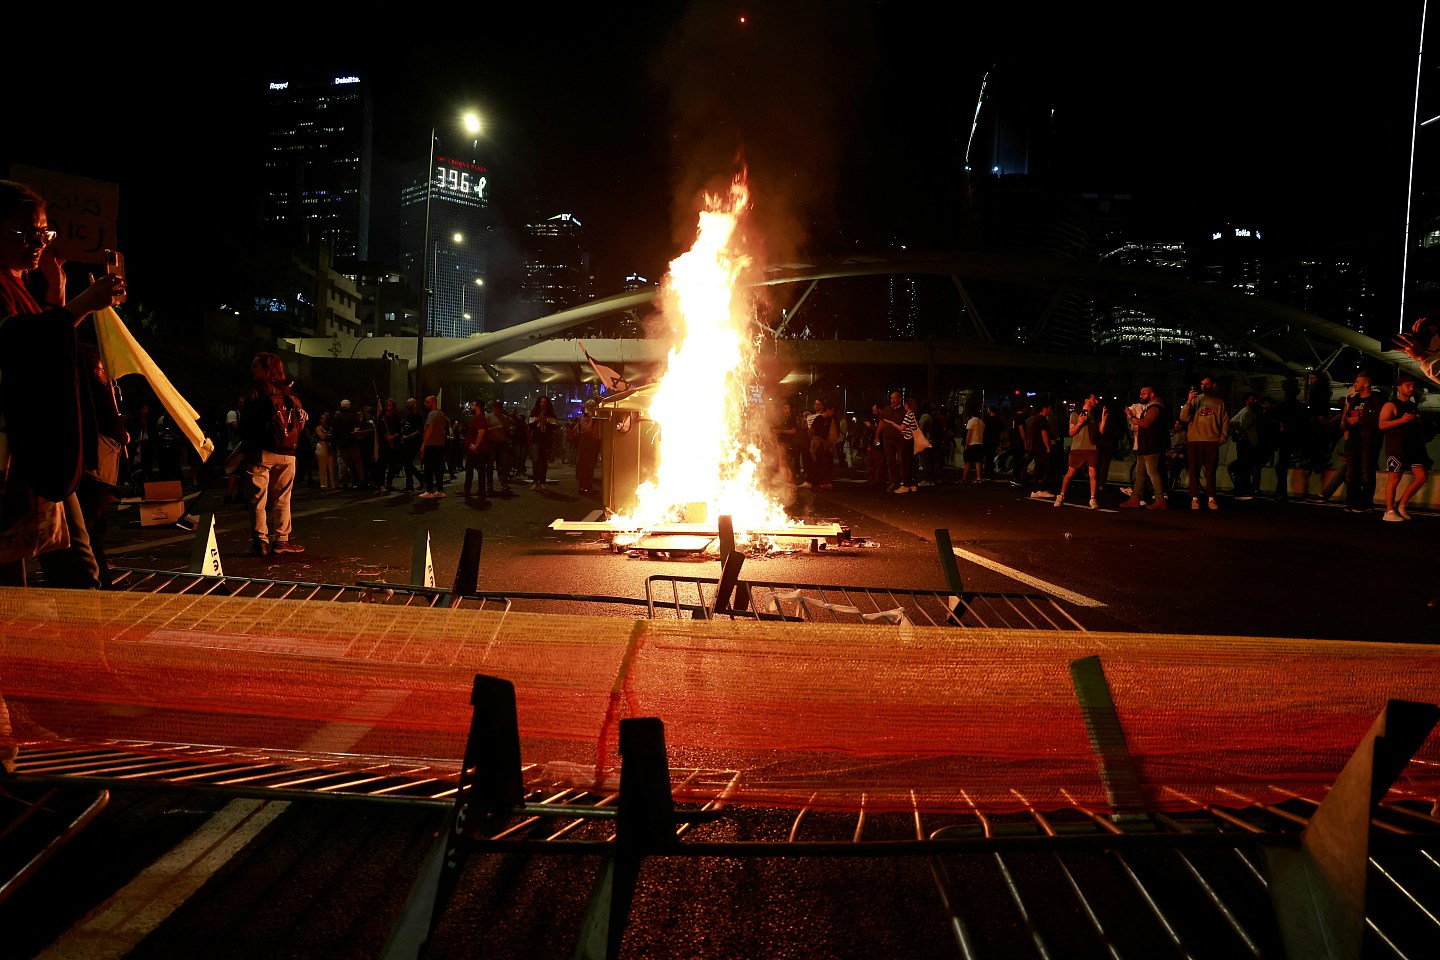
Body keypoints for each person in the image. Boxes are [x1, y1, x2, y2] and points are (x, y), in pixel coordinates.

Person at [0, 180, 125, 589]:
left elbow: (45, 340)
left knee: (76, 561)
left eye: (44, 232)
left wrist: (60, 290)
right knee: (12, 565)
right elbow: (20, 342)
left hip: (40, 447)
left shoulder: (19, 284)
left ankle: (79, 644)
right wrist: (82, 303)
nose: (38, 243)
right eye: (25, 232)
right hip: (15, 449)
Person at [238, 351, 306, 555]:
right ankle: (282, 541)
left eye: (254, 365)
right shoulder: (289, 393)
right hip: (287, 452)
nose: (251, 368)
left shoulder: (256, 392)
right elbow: (301, 421)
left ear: (266, 369)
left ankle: (260, 542)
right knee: (283, 498)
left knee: (258, 499)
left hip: (261, 452)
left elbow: (246, 424)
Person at [1378, 374, 1430, 522]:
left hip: (1414, 447)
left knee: (1422, 477)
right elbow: (1382, 424)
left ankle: (1402, 505)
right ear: (1399, 388)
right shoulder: (1391, 405)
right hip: (1397, 447)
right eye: (1408, 385)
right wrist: (1401, 420)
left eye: (1413, 385)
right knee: (1394, 478)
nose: (1412, 388)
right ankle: (1388, 511)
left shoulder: (1412, 406)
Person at [1179, 375, 1228, 510]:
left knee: (1210, 471)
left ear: (1213, 385)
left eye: (1206, 384)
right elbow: (1183, 417)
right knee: (1194, 471)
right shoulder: (1195, 400)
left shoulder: (1219, 402)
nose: (1203, 386)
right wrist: (1189, 401)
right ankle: (1195, 499)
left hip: (1211, 441)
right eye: (1202, 383)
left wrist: (1222, 438)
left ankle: (1211, 498)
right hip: (1195, 440)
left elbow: (1224, 423)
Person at [1340, 370, 1384, 514]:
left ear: (1366, 384)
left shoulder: (1376, 400)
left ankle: (1366, 503)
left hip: (1368, 440)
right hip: (1353, 439)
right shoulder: (1354, 399)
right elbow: (1347, 416)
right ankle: (1352, 501)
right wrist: (1345, 425)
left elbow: (1380, 420)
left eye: (1358, 382)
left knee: (1366, 472)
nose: (1355, 384)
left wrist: (1360, 419)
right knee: (1351, 472)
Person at [1119, 385, 1167, 509]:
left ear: (1151, 394)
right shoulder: (1151, 407)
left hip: (1151, 445)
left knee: (1152, 473)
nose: (1141, 396)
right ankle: (1135, 497)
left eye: (1143, 393)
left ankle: (1160, 499)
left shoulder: (1155, 407)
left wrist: (1132, 417)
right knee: (1140, 473)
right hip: (1145, 445)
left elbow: (1146, 423)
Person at [1055, 393, 1106, 509]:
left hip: (1092, 448)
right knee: (1070, 473)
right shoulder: (1075, 414)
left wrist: (1103, 420)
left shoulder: (1095, 415)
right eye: (1094, 399)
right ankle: (1061, 496)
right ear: (1087, 400)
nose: (1096, 401)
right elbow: (1071, 432)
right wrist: (1079, 423)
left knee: (1093, 474)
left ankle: (1093, 499)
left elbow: (1100, 433)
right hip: (1077, 448)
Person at [1271, 378, 1308, 500]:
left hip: (1283, 438)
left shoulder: (1280, 405)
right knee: (1283, 464)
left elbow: (1272, 418)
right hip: (1294, 437)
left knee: (1281, 465)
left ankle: (1281, 491)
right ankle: (1281, 491)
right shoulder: (1300, 407)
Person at [1229, 392, 1260, 500]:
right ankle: (1241, 490)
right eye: (1252, 399)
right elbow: (1233, 422)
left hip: (1248, 442)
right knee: (1244, 467)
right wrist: (1243, 433)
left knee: (1245, 467)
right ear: (1247, 401)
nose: (1254, 401)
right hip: (1247, 443)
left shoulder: (1249, 412)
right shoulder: (1246, 411)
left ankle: (1242, 489)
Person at [526, 396, 560, 490]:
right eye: (541, 402)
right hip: (536, 439)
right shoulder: (535, 413)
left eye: (545, 402)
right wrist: (537, 420)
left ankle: (542, 481)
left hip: (546, 439)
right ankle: (535, 481)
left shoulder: (551, 414)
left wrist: (546, 421)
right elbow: (530, 424)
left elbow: (554, 425)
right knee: (536, 460)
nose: (543, 404)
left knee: (544, 461)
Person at [418, 395, 449, 498]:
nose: (425, 404)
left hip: (431, 444)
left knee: (428, 468)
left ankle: (429, 490)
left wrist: (423, 444)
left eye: (427, 402)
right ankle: (440, 490)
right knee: (438, 468)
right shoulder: (441, 414)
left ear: (432, 402)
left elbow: (429, 429)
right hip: (440, 444)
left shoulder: (432, 414)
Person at [879, 391, 908, 493]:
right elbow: (881, 422)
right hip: (888, 439)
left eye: (895, 398)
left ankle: (904, 482)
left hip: (900, 440)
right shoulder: (886, 410)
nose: (893, 400)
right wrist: (877, 436)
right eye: (891, 398)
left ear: (900, 399)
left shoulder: (904, 411)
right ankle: (894, 482)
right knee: (890, 462)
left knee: (901, 461)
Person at [1025, 400, 1056, 499]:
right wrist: (1048, 447)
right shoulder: (1043, 420)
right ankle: (1042, 489)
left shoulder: (1035, 419)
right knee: (1048, 468)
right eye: (1049, 408)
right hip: (1042, 448)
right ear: (1044, 408)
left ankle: (1035, 490)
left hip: (1035, 448)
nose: (1050, 410)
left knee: (1038, 469)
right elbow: (1044, 434)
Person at [332, 398, 365, 490]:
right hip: (353, 443)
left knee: (344, 464)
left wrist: (335, 444)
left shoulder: (336, 417)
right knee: (358, 463)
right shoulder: (353, 417)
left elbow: (334, 433)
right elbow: (358, 429)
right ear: (349, 406)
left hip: (342, 444)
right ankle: (362, 481)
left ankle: (345, 483)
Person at [461, 399, 490, 499]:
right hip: (478, 449)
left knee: (470, 469)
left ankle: (468, 489)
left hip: (476, 450)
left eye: (472, 405)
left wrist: (475, 445)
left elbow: (481, 432)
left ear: (477, 407)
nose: (470, 407)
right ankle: (480, 489)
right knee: (479, 469)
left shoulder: (479, 418)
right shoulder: (479, 418)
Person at [575, 399, 603, 495]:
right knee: (584, 465)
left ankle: (589, 486)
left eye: (593, 406)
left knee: (591, 466)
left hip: (595, 442)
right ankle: (582, 487)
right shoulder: (583, 417)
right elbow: (587, 430)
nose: (591, 408)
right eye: (589, 406)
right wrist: (591, 419)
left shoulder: (598, 418)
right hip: (586, 442)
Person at [487, 399, 514, 494]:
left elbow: (508, 430)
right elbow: (485, 430)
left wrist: (508, 431)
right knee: (490, 465)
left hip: (503, 442)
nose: (498, 409)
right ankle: (490, 485)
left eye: (500, 408)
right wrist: (497, 428)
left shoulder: (505, 418)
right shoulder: (489, 417)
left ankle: (504, 483)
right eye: (496, 407)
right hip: (492, 442)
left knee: (504, 464)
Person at [378, 398, 405, 491]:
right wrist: (387, 437)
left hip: (394, 445)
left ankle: (389, 483)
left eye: (393, 406)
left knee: (393, 465)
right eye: (390, 406)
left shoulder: (396, 419)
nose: (392, 408)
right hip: (384, 445)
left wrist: (392, 438)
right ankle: (381, 484)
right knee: (382, 465)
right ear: (386, 407)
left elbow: (399, 432)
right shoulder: (382, 418)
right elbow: (380, 431)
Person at [400, 397, 425, 492]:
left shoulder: (417, 416)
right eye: (406, 403)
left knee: (407, 463)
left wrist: (407, 437)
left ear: (414, 404)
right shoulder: (408, 416)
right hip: (407, 443)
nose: (407, 405)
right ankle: (411, 484)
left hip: (414, 443)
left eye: (409, 403)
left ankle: (419, 480)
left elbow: (419, 431)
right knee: (407, 464)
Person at [313, 410, 336, 490]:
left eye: (326, 418)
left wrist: (328, 436)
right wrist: (330, 436)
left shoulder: (329, 427)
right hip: (321, 446)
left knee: (331, 465)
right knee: (322, 465)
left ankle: (333, 484)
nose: (324, 420)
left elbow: (333, 436)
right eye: (323, 418)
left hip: (329, 446)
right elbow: (322, 437)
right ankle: (323, 484)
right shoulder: (317, 428)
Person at [962, 408, 985, 483]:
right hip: (979, 443)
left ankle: (964, 478)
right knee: (978, 461)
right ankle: (979, 478)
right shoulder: (981, 422)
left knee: (968, 462)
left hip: (972, 443)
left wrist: (966, 444)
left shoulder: (971, 421)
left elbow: (969, 434)